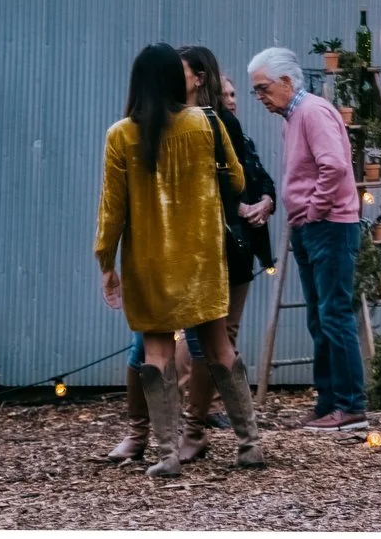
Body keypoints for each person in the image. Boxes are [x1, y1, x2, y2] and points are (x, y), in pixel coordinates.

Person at [97, 42, 255, 478]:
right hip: (203, 260)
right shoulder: (206, 124)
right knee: (220, 347)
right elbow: (238, 180)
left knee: (157, 353)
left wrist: (106, 263)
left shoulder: (121, 135)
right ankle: (249, 444)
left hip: (150, 265)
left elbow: (112, 212)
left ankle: (166, 454)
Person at [247, 45, 365, 434]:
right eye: (256, 91)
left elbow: (334, 166)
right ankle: (329, 403)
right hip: (311, 226)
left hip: (328, 225)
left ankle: (349, 406)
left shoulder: (311, 112)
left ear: (285, 81)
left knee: (333, 315)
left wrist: (313, 211)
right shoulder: (294, 115)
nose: (260, 97)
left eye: (263, 88)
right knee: (320, 317)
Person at [176, 45, 275, 464]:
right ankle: (233, 438)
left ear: (199, 77)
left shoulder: (213, 124)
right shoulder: (204, 122)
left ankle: (198, 432)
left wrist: (260, 201)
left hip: (220, 247)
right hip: (225, 244)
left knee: (212, 340)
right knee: (213, 340)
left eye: (177, 71)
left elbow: (246, 179)